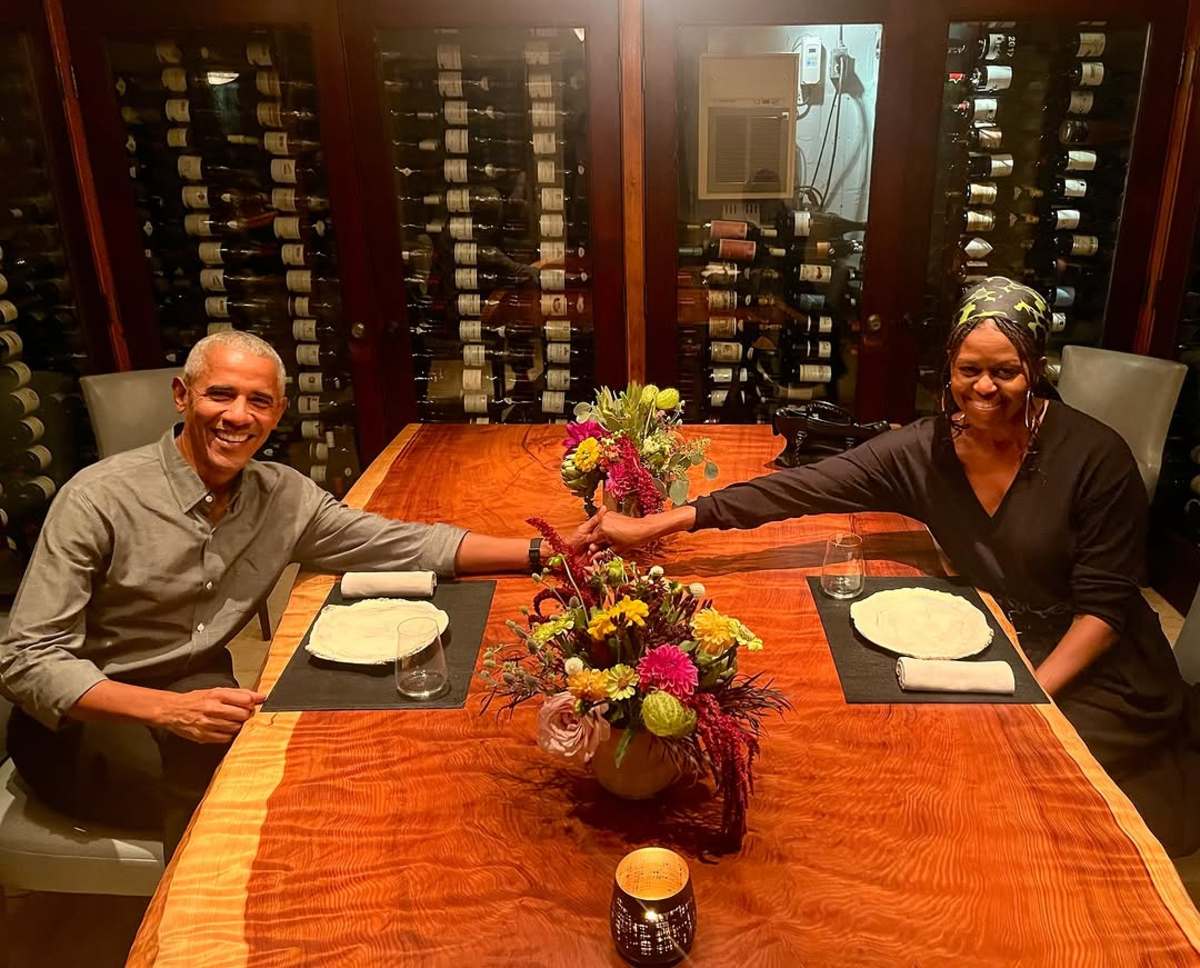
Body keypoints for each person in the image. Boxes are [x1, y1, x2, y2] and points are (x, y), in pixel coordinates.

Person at [586, 277, 1200, 858]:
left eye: (1006, 371)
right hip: (997, 646)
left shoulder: (1096, 458)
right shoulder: (926, 451)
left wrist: (1028, 697)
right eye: (970, 370)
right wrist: (656, 523)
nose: (985, 387)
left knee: (1019, 799)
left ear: (1036, 370)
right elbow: (802, 488)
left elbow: (1105, 610)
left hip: (1096, 672)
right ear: (948, 370)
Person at [0, 330, 587, 860]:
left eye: (258, 402)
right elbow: (25, 659)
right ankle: (197, 936)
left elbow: (404, 545)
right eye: (219, 395)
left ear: (278, 411)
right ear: (182, 396)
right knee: (236, 809)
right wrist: (166, 710)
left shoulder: (280, 495)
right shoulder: (96, 499)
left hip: (198, 694)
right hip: (85, 719)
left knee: (323, 769)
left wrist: (551, 550)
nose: (237, 415)